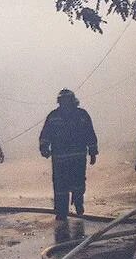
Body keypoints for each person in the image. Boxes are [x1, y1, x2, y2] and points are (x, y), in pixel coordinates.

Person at [39, 88, 98, 220]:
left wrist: (93, 152)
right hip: (60, 159)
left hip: (78, 157)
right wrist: (44, 147)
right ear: (59, 101)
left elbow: (90, 133)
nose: (65, 103)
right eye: (63, 100)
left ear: (73, 101)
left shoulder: (82, 115)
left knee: (78, 183)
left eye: (68, 100)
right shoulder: (53, 116)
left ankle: (78, 204)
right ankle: (61, 211)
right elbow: (45, 134)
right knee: (60, 186)